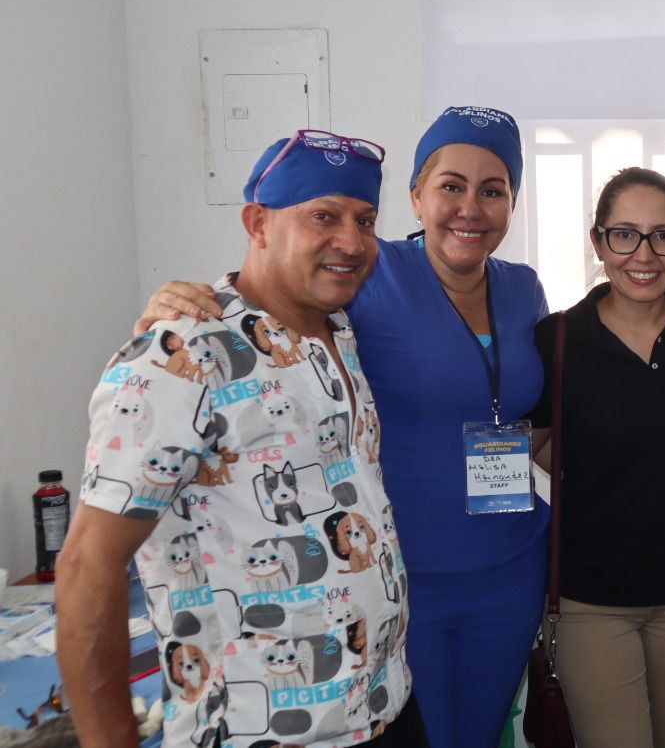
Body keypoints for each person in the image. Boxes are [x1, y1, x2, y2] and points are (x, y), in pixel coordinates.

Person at [131, 108, 548, 748]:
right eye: (451, 186)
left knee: (482, 735)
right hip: (404, 578)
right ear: (417, 196)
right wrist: (185, 307)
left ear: (512, 203)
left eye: (493, 190)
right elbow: (274, 298)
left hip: (511, 569)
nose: (471, 207)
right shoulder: (371, 273)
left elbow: (532, 416)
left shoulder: (524, 289)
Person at [57, 131, 426, 746]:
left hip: (381, 707)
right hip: (259, 733)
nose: (351, 241)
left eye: (364, 220)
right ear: (257, 222)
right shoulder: (184, 353)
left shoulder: (338, 333)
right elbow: (87, 565)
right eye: (323, 217)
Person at [525, 167, 665, 748]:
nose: (644, 254)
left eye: (664, 235)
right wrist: (605, 479)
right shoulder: (559, 338)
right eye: (625, 234)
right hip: (592, 603)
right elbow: (538, 446)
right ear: (599, 242)